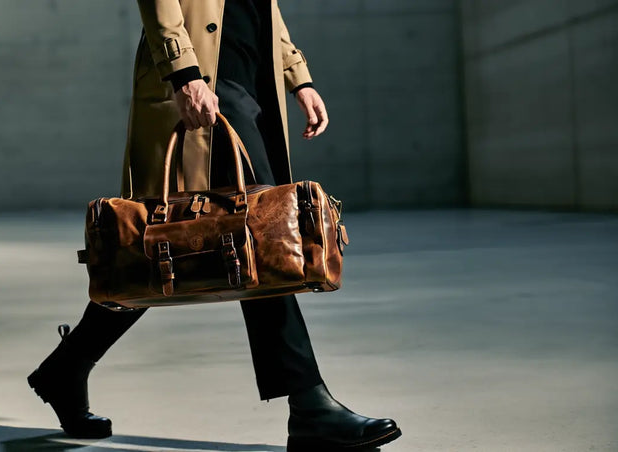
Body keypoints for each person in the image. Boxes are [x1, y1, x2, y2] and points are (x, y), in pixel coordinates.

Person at [27, 1, 402, 451]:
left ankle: (66, 368)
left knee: (171, 250)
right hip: (201, 72)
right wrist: (183, 72)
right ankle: (310, 405)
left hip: (250, 78)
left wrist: (295, 74)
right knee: (253, 240)